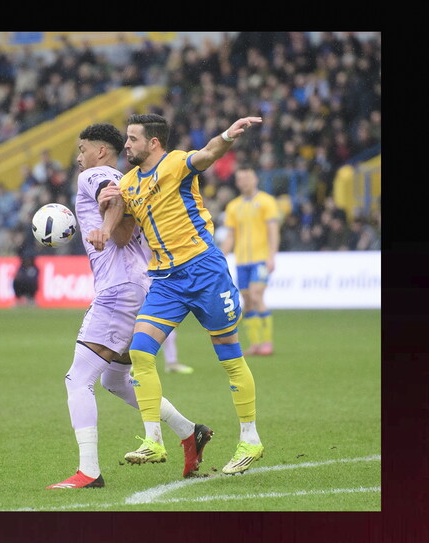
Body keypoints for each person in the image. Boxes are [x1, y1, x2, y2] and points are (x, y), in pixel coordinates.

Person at [89, 113, 265, 476]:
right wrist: (105, 215)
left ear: (153, 143)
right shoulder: (128, 183)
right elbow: (122, 230)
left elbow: (207, 154)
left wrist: (227, 135)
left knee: (229, 357)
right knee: (139, 351)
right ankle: (153, 439)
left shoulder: (175, 163)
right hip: (166, 280)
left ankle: (250, 437)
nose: (126, 145)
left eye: (133, 139)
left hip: (204, 271)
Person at [47, 123, 213, 489]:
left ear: (101, 151)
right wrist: (112, 226)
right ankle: (190, 432)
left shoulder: (96, 174)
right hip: (140, 285)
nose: (78, 157)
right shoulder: (125, 177)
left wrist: (104, 229)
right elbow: (121, 210)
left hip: (118, 289)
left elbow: (113, 200)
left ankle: (88, 472)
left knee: (78, 380)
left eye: (81, 148)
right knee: (116, 379)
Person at [221, 166, 281, 356]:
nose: (243, 182)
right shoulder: (233, 206)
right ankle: (255, 344)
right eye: (240, 179)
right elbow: (231, 236)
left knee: (256, 296)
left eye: (247, 177)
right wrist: (221, 256)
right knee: (247, 301)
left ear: (255, 179)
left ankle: (267, 342)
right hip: (242, 261)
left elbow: (273, 230)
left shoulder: (266, 201)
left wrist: (272, 255)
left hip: (261, 259)